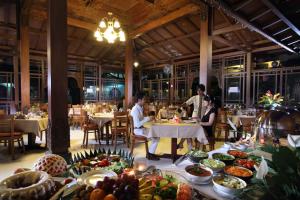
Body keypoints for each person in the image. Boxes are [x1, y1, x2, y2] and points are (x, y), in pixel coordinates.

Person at [130, 92, 160, 160]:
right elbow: (137, 124)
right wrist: (148, 118)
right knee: (156, 136)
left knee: (157, 134)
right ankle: (150, 154)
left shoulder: (139, 108)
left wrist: (149, 118)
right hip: (137, 130)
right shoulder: (135, 109)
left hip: (140, 129)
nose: (145, 101)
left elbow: (142, 119)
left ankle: (150, 153)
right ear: (139, 100)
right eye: (144, 99)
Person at [177, 84, 206, 149]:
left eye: (200, 90)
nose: (198, 92)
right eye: (197, 90)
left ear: (203, 90)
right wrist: (180, 106)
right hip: (194, 117)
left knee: (189, 131)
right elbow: (186, 103)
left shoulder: (206, 98)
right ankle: (185, 146)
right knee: (188, 130)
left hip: (203, 118)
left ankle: (181, 144)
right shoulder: (194, 97)